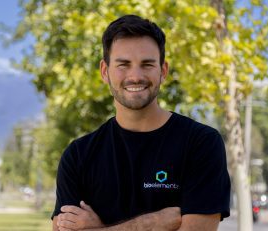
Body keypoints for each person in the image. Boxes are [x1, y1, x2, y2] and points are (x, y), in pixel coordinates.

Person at [52, 14, 231, 231]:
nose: (135, 76)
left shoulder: (201, 144)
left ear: (163, 71)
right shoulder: (78, 156)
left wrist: (98, 228)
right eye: (123, 64)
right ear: (104, 71)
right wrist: (152, 223)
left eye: (146, 64)